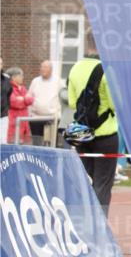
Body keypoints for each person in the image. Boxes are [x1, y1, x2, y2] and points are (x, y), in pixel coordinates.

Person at [67, 53, 118, 216]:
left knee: (85, 180)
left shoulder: (74, 69)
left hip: (82, 133)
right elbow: (115, 103)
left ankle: (85, 219)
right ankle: (99, 223)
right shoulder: (107, 71)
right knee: (103, 182)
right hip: (105, 134)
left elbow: (72, 103)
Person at [28, 60, 62, 145]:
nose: (42, 69)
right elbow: (29, 96)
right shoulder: (35, 81)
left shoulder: (58, 81)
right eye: (41, 67)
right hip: (36, 117)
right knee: (37, 143)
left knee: (51, 143)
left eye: (45, 67)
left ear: (51, 69)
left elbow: (63, 96)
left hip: (52, 118)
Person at [7, 67, 34, 143]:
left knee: (24, 147)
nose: (23, 77)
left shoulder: (23, 88)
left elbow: (31, 100)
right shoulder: (8, 88)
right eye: (21, 75)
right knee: (12, 147)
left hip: (24, 125)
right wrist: (25, 100)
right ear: (13, 77)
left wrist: (22, 99)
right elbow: (13, 102)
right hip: (13, 125)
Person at [1, 58, 12, 141]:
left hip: (3, 116)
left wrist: (6, 108)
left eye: (0, 64)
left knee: (2, 140)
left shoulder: (6, 79)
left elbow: (8, 94)